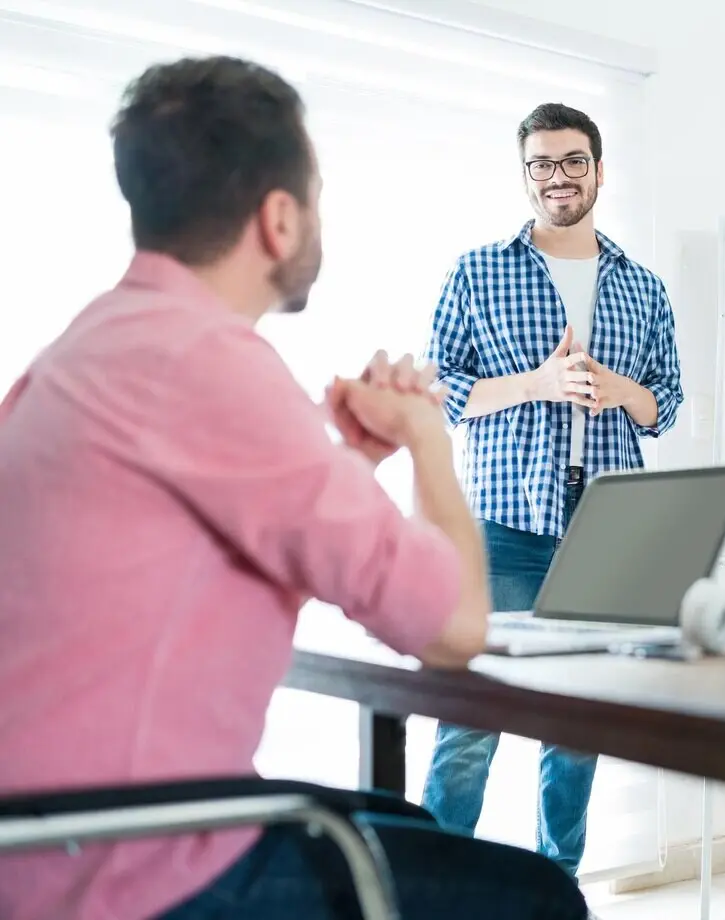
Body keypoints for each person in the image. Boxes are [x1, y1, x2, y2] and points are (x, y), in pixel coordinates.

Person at [0, 56, 586, 920]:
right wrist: (427, 434)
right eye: (315, 195)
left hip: (45, 842)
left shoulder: (81, 355)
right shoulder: (212, 364)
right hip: (131, 871)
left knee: (413, 824)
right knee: (539, 896)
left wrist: (355, 462)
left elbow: (223, 554)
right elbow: (456, 629)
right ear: (280, 217)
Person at [420, 103, 683, 878]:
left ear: (600, 169)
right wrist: (539, 381)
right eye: (543, 164)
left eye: (574, 161)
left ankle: (558, 883)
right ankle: (437, 887)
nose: (559, 177)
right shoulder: (479, 271)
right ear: (525, 174)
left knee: (576, 724)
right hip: (505, 522)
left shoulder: (641, 286)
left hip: (608, 528)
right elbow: (439, 388)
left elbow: (664, 402)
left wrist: (616, 388)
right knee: (471, 717)